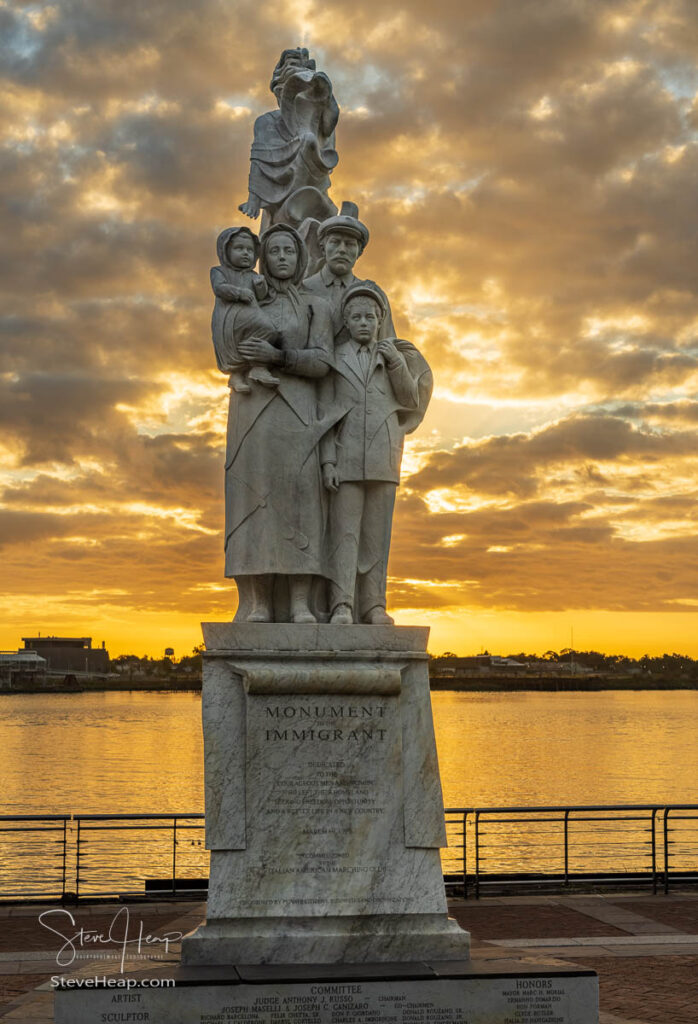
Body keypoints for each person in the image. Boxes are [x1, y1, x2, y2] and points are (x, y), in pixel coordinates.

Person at [220, 224, 336, 623]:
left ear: (300, 256)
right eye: (274, 251)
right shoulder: (247, 299)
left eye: (289, 250)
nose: (282, 257)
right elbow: (224, 347)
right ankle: (258, 602)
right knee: (250, 501)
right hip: (253, 410)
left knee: (301, 502)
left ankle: (301, 601)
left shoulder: (315, 305)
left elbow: (322, 361)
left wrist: (279, 357)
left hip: (298, 410)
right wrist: (244, 359)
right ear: (262, 258)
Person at [319, 285, 432, 625]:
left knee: (376, 538)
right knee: (344, 535)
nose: (364, 322)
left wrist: (396, 362)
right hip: (345, 458)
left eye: (370, 317)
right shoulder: (334, 358)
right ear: (347, 322)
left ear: (381, 320)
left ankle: (374, 607)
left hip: (384, 457)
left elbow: (411, 400)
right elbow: (324, 415)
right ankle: (342, 605)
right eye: (356, 317)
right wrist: (327, 462)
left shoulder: (394, 356)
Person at [303, 203, 395, 343]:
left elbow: (389, 345)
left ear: (359, 252)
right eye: (335, 242)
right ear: (323, 247)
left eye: (350, 244)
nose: (342, 249)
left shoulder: (374, 294)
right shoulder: (302, 289)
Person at [210, 226, 277, 393]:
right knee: (233, 345)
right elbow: (219, 288)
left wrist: (261, 286)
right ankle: (236, 375)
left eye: (249, 250)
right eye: (239, 248)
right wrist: (239, 293)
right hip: (229, 318)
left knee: (269, 330)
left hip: (252, 315)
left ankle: (258, 367)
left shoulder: (253, 275)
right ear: (226, 250)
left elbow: (262, 297)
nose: (246, 253)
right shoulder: (219, 271)